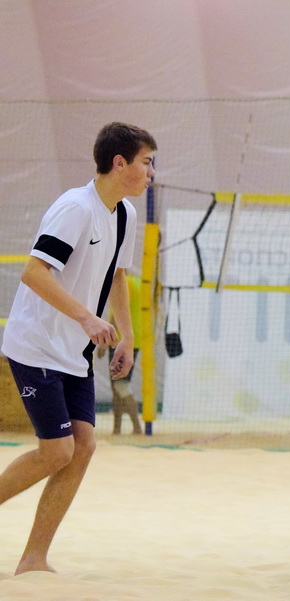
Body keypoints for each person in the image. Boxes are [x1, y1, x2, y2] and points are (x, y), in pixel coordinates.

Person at [0, 122, 156, 574]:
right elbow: (33, 272)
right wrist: (87, 318)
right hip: (36, 346)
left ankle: (34, 559)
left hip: (74, 353)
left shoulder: (124, 214)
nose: (151, 172)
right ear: (120, 163)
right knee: (57, 451)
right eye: (146, 162)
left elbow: (118, 276)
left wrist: (127, 336)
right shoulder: (75, 208)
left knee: (82, 447)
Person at [98, 270, 143, 435]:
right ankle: (117, 428)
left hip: (121, 340)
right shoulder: (138, 282)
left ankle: (137, 427)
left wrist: (105, 342)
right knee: (116, 387)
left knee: (120, 385)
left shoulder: (125, 282)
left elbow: (119, 312)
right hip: (134, 338)